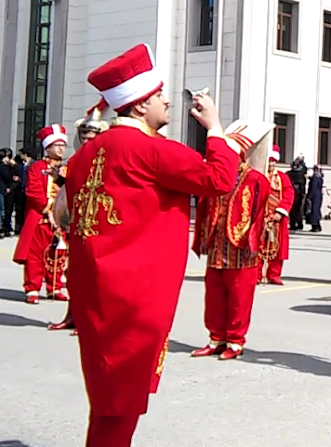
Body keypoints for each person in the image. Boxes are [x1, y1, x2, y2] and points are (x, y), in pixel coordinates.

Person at [64, 43, 250, 447]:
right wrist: (216, 129)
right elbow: (219, 179)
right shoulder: (152, 149)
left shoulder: (85, 155)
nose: (167, 101)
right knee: (121, 400)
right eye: (159, 96)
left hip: (96, 289)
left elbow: (64, 213)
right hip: (133, 295)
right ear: (138, 106)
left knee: (108, 394)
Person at [191, 121, 273, 360]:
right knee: (214, 295)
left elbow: (259, 214)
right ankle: (216, 338)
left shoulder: (256, 180)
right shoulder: (216, 176)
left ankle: (235, 342)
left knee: (239, 297)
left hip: (240, 247)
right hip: (217, 245)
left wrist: (253, 241)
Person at [49, 100, 110, 333]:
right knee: (73, 272)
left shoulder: (106, 158)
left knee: (94, 275)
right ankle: (72, 315)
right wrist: (58, 179)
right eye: (83, 134)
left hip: (98, 222)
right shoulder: (75, 160)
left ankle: (89, 319)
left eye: (91, 134)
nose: (86, 138)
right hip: (77, 223)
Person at [12, 125, 69, 303]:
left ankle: (55, 287)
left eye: (63, 145)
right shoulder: (37, 167)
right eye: (57, 145)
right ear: (48, 147)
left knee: (58, 254)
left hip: (62, 219)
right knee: (35, 254)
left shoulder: (67, 168)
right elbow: (33, 192)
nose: (61, 148)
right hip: (41, 218)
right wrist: (50, 211)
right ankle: (32, 288)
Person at [258, 146, 294, 286]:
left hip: (278, 219)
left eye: (273, 161)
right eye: (269, 161)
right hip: (261, 217)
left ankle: (274, 274)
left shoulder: (282, 178)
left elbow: (289, 194)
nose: (271, 164)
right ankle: (257, 274)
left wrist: (280, 211)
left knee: (277, 247)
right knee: (258, 247)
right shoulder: (259, 175)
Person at [287, 156, 307, 230]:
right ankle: (298, 223)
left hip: (294, 193)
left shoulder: (289, 174)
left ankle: (294, 224)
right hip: (299, 193)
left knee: (294, 210)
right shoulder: (301, 173)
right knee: (298, 210)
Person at [307, 165, 325, 232]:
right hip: (319, 195)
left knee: (313, 211)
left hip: (314, 196)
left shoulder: (315, 177)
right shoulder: (320, 177)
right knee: (317, 210)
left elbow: (313, 187)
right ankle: (318, 225)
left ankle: (315, 226)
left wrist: (309, 197)